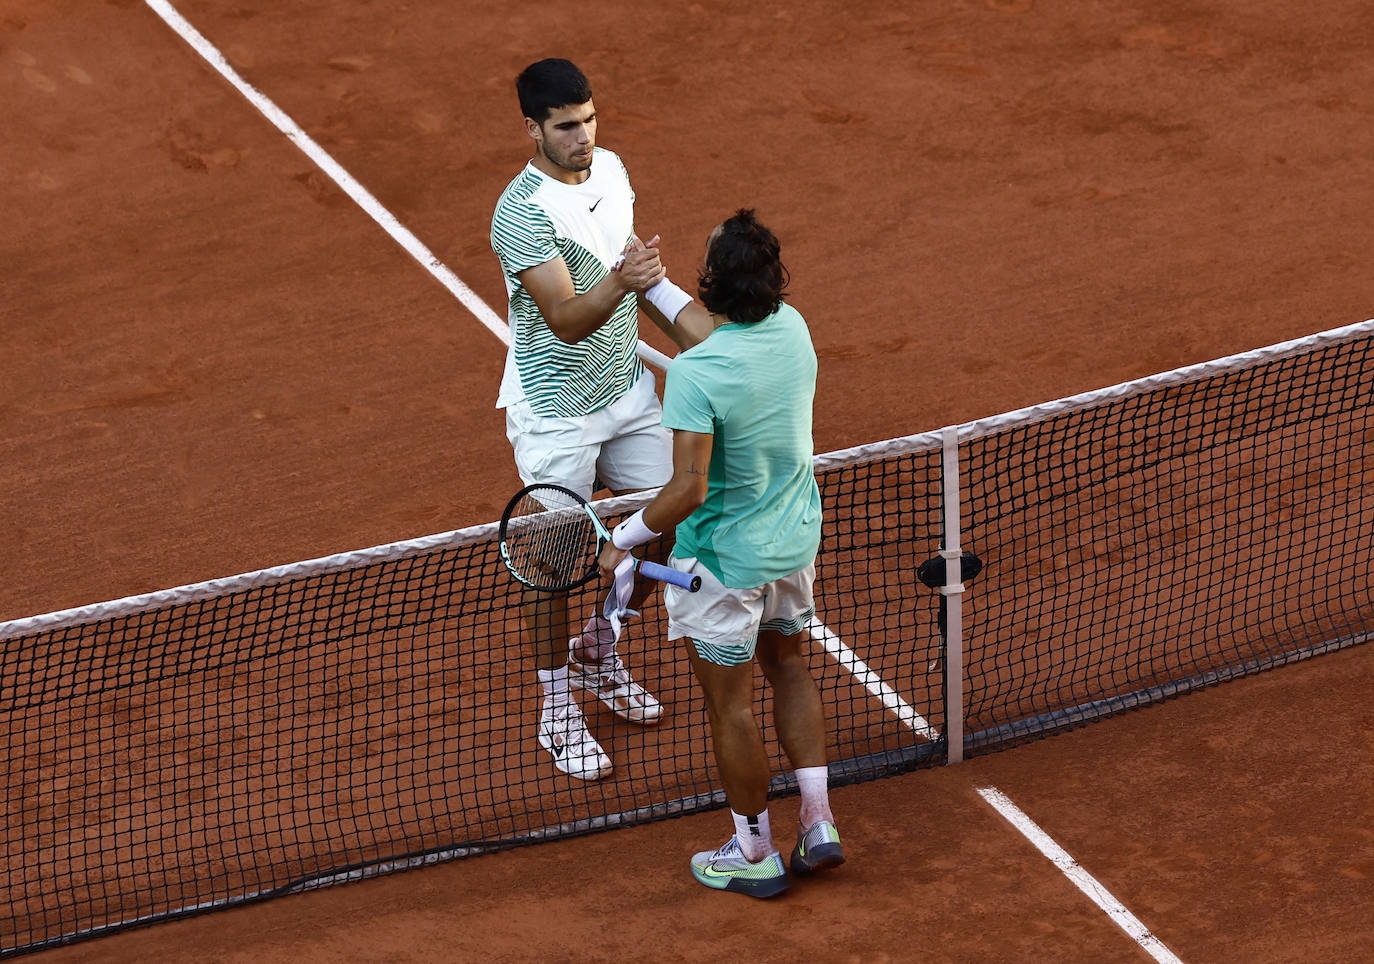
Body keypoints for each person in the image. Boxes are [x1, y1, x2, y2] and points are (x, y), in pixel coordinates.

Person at [599, 210, 843, 898]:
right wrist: (648, 286)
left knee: (730, 710)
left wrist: (622, 540)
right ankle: (819, 824)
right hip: (794, 547)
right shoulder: (793, 331)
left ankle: (754, 852)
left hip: (723, 570)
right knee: (790, 672)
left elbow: (687, 488)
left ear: (712, 284)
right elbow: (710, 338)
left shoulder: (699, 377)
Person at [489, 58, 710, 781]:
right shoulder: (519, 213)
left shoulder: (611, 170)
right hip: (556, 415)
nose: (582, 137)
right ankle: (557, 710)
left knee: (677, 511)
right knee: (551, 567)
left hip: (627, 392)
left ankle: (597, 647)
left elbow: (640, 280)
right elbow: (566, 319)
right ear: (533, 129)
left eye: (587, 120)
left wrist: (714, 348)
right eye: (564, 126)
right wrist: (625, 278)